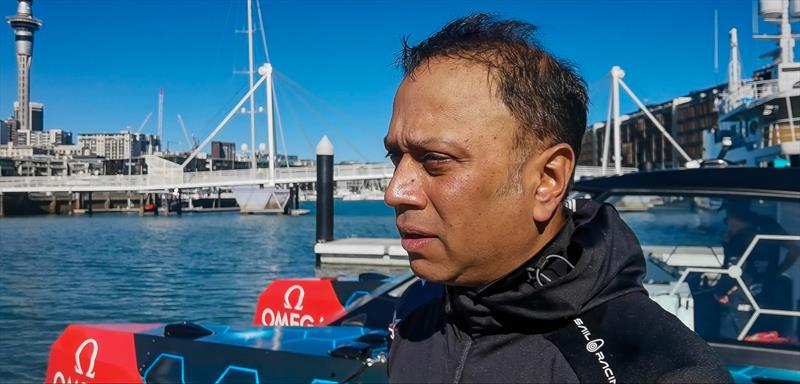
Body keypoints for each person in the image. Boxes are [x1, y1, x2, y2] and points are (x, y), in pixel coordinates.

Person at [383, 14, 732, 383]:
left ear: (547, 180)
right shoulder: (416, 309)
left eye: (436, 160)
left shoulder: (656, 371)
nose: (395, 192)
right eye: (395, 158)